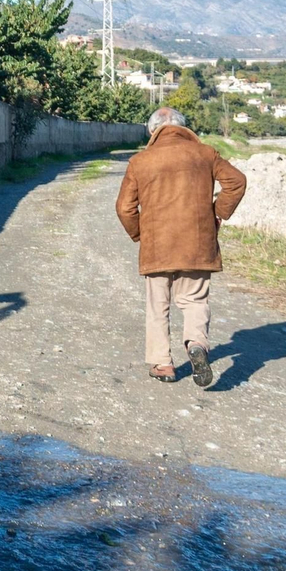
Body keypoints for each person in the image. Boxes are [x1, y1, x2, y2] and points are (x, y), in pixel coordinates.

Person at [114, 107, 247, 386]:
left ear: (152, 131)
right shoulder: (206, 153)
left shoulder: (141, 160)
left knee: (158, 305)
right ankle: (197, 344)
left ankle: (163, 364)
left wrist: (141, 234)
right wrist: (217, 214)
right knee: (195, 300)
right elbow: (236, 182)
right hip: (197, 244)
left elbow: (125, 208)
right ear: (183, 128)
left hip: (157, 246)